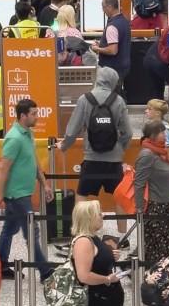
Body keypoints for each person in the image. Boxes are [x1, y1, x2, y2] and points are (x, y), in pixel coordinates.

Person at [57, 67, 133, 235]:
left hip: (91, 158)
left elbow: (72, 129)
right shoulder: (118, 100)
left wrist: (64, 146)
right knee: (119, 197)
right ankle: (122, 236)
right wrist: (120, 151)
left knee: (82, 195)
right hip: (113, 160)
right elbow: (128, 133)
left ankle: (79, 233)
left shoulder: (85, 99)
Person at [0, 99, 55, 281]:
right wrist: (0, 195)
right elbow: (3, 169)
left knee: (9, 230)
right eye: (34, 114)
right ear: (22, 116)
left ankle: (2, 265)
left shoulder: (28, 133)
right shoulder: (14, 138)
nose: (37, 117)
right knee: (31, 232)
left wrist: (44, 183)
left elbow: (33, 159)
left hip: (22, 192)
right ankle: (45, 272)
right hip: (17, 195)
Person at [134, 120, 169, 268]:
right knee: (159, 246)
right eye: (161, 133)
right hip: (154, 207)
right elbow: (139, 182)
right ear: (152, 135)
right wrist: (139, 207)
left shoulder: (163, 153)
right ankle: (157, 275)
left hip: (166, 205)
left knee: (160, 244)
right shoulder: (147, 155)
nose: (165, 136)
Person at [91, 0, 131, 88]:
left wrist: (97, 49)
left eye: (103, 7)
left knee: (112, 97)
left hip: (112, 69)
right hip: (123, 65)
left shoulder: (112, 26)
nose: (103, 10)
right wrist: (101, 45)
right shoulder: (124, 20)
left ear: (109, 7)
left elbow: (113, 50)